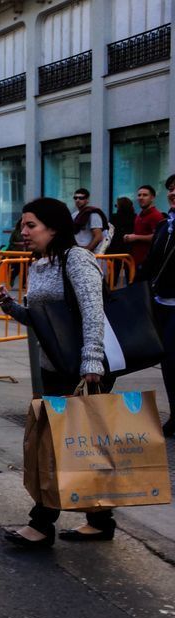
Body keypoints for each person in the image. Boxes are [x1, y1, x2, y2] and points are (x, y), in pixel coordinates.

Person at [0, 197, 114, 547]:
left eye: (31, 225)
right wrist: (11, 306)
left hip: (81, 370)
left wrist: (91, 362)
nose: (24, 231)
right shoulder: (42, 263)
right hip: (55, 367)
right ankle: (101, 519)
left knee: (57, 447)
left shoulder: (77, 259)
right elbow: (43, 321)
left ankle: (42, 524)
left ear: (54, 228)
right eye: (23, 225)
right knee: (79, 446)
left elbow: (94, 312)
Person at [137, 173, 175, 438]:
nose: (172, 193)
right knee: (169, 364)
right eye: (171, 189)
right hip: (161, 302)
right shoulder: (164, 226)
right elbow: (151, 263)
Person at [124, 184, 164, 267]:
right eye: (139, 195)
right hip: (135, 260)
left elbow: (158, 237)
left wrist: (135, 237)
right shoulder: (140, 215)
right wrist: (130, 237)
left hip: (148, 262)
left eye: (145, 195)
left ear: (152, 198)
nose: (141, 197)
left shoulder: (156, 215)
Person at [72, 188, 106, 252]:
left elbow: (98, 237)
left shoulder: (93, 214)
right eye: (75, 198)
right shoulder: (74, 215)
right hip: (77, 250)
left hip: (89, 252)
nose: (77, 200)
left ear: (87, 200)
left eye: (81, 198)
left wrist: (87, 250)